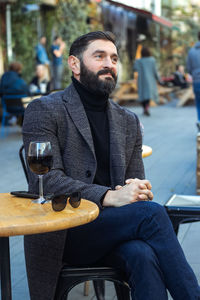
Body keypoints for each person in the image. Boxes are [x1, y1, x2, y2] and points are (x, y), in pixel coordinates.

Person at [22, 31, 200, 300]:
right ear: (74, 64)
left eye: (114, 58)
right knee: (152, 215)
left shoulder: (127, 120)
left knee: (143, 254)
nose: (109, 63)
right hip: (65, 230)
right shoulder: (45, 109)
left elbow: (134, 183)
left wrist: (138, 190)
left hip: (111, 228)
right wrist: (108, 195)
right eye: (99, 56)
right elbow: (46, 181)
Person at [133, 47, 159, 116]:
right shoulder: (152, 60)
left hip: (141, 80)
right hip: (150, 80)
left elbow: (134, 69)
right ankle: (147, 107)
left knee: (142, 94)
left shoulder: (138, 61)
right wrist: (158, 79)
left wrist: (136, 61)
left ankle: (144, 108)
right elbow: (155, 71)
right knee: (148, 95)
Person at [187, 31, 200, 130]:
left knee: (199, 103)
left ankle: (199, 121)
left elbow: (189, 68)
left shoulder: (191, 51)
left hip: (197, 81)